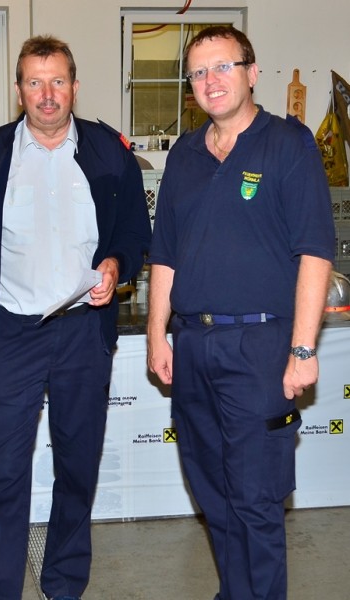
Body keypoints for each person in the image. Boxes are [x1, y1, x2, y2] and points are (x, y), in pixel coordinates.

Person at [0, 35, 152, 600]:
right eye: (35, 82)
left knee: (78, 467)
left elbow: (135, 233)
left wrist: (115, 265)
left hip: (83, 330)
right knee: (1, 473)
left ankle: (64, 585)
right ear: (19, 90)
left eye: (58, 81)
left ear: (75, 86)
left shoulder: (109, 151)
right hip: (11, 332)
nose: (47, 94)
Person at [146, 26, 335, 600]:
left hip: (261, 348)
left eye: (223, 66)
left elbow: (315, 252)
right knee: (213, 494)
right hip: (194, 347)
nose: (211, 81)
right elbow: (165, 255)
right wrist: (156, 334)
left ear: (252, 73)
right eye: (199, 73)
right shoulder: (184, 155)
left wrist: (303, 349)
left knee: (255, 499)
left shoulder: (288, 144)